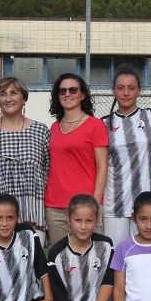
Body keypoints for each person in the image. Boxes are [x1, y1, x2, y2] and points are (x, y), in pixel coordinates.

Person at [102, 65, 151, 247]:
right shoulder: (104, 124)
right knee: (116, 258)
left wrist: (146, 169)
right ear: (113, 90)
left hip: (146, 203)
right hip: (115, 205)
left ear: (139, 91)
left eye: (131, 88)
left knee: (145, 256)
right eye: (120, 88)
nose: (126, 93)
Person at [44, 73, 108, 245]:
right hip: (55, 206)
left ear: (83, 95)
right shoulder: (54, 127)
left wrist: (95, 201)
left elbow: (103, 167)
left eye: (73, 90)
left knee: (89, 260)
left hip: (85, 205)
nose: (67, 94)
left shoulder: (96, 125)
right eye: (62, 91)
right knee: (60, 261)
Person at [0, 76, 50, 243]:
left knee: (32, 265)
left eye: (14, 93)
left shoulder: (40, 131)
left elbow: (49, 170)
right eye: (3, 94)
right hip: (1, 216)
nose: (8, 98)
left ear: (24, 98)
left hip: (33, 211)